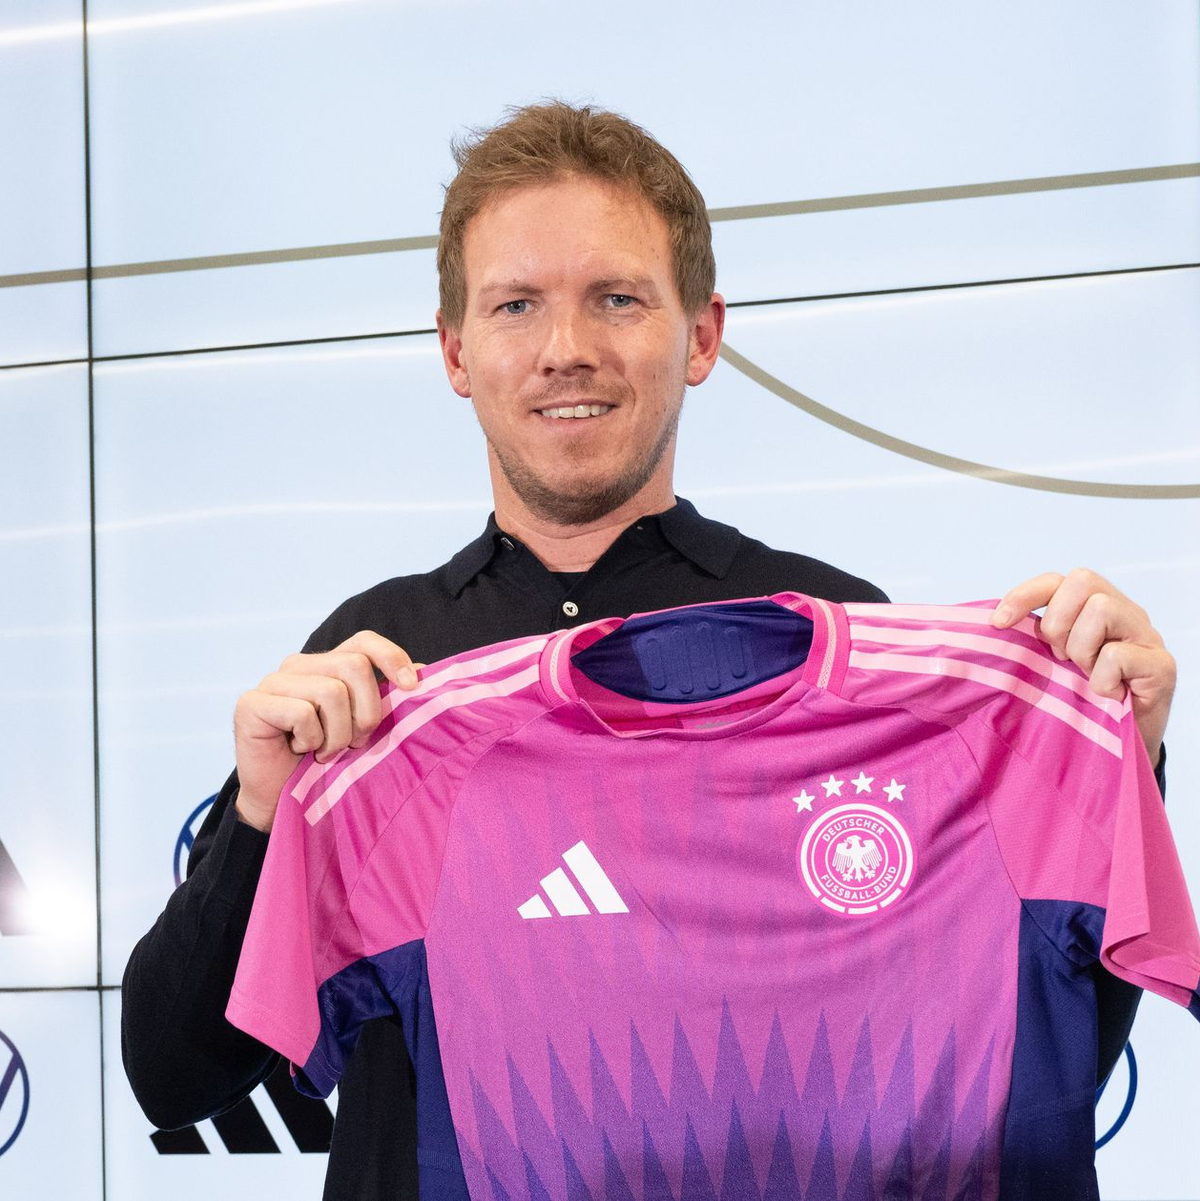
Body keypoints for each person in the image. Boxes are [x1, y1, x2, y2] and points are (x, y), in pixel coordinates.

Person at [123, 103, 1178, 1200]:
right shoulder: (378, 676)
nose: (565, 348)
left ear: (703, 334)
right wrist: (260, 817)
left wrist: (1122, 758)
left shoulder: (849, 646)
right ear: (455, 351)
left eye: (617, 299)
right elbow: (175, 1071)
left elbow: (1011, 1072)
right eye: (516, 304)